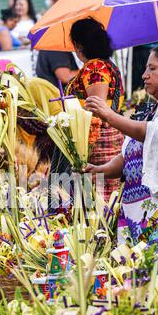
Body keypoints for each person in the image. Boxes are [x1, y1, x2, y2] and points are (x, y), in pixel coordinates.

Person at [84, 44, 158, 252]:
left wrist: (109, 116)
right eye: (146, 68)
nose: (145, 75)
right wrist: (101, 169)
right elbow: (132, 154)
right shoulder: (151, 109)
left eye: (153, 69)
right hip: (142, 214)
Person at [50, 17, 124, 205]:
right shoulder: (107, 65)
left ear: (79, 45)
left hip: (95, 139)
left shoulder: (95, 67)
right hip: (107, 134)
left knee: (97, 198)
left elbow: (96, 108)